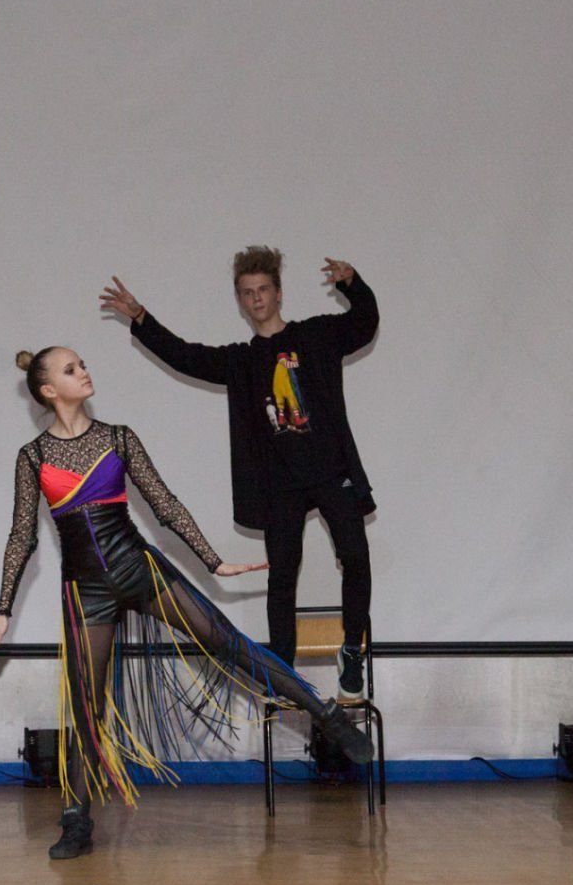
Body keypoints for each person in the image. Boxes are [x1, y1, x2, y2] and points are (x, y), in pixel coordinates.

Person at [0, 348, 374, 860]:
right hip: (86, 591)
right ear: (49, 390)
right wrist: (3, 610)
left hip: (140, 570)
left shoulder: (118, 438)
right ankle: (76, 820)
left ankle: (326, 714)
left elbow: (163, 504)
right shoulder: (33, 457)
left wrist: (212, 561)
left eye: (84, 363)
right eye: (71, 369)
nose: (85, 371)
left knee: (226, 642)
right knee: (86, 707)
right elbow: (21, 536)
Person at [100, 247, 377, 700]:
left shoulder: (316, 337)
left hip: (332, 471)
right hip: (281, 484)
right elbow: (186, 356)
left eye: (263, 290)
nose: (256, 299)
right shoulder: (242, 361)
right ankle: (283, 671)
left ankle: (350, 649)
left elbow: (364, 323)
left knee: (356, 556)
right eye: (247, 293)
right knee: (281, 576)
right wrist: (141, 318)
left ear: (279, 293)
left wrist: (352, 283)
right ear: (240, 301)